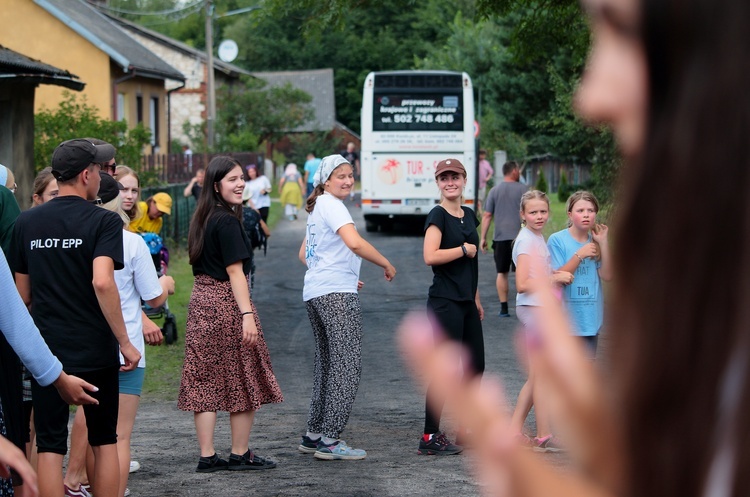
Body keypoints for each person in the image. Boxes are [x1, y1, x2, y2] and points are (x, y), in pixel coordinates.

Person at [401, 0, 748, 494]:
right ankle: (436, 429)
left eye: (619, 32)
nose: (590, 99)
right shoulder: (452, 217)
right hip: (451, 300)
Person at [9, 138, 140, 497]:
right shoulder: (104, 221)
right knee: (103, 439)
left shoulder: (26, 223)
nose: (101, 176)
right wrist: (125, 342)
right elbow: (102, 281)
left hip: (46, 352)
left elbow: (21, 298)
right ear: (87, 175)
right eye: (99, 170)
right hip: (94, 348)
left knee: (50, 443)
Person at [179, 156, 282, 473]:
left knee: (204, 379)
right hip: (227, 303)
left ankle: (207, 455)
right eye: (232, 180)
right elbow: (236, 272)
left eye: (241, 178)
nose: (240, 184)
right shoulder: (227, 221)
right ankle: (240, 453)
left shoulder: (203, 217)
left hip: (201, 301)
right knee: (244, 375)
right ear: (216, 186)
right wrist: (247, 314)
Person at [297, 154, 396, 461]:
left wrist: (342, 273)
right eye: (340, 175)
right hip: (335, 295)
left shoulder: (318, 208)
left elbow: (305, 254)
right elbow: (354, 243)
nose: (348, 180)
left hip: (317, 291)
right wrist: (385, 262)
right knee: (347, 365)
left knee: (327, 363)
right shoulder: (332, 205)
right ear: (325, 181)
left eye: (351, 175)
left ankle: (314, 435)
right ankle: (329, 441)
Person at [96, 172, 175, 497]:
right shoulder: (130, 241)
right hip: (124, 347)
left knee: (93, 436)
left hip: (82, 347)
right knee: (119, 436)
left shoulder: (76, 236)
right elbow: (154, 297)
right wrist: (167, 286)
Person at [418, 158, 484, 456]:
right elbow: (429, 256)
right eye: (444, 178)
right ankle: (430, 436)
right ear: (438, 183)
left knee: (475, 366)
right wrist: (461, 249)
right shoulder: (437, 215)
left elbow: (474, 262)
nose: (450, 182)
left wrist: (476, 298)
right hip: (445, 302)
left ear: (464, 179)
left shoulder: (470, 215)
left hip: (467, 301)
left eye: (455, 176)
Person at [508, 190, 573, 451]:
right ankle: (544, 434)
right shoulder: (526, 241)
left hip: (539, 307)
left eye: (543, 212)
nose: (539, 216)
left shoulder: (535, 237)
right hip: (532, 309)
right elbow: (522, 284)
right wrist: (553, 279)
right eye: (533, 212)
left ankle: (513, 431)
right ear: (522, 215)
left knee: (537, 376)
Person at [547, 191, 612, 357]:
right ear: (570, 214)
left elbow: (608, 275)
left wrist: (603, 243)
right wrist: (580, 255)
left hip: (590, 320)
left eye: (591, 211)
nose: (586, 215)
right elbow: (558, 276)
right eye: (580, 210)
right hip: (566, 320)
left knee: (586, 374)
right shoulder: (557, 240)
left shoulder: (595, 241)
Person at [479, 161, 528, 317]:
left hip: (500, 238)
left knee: (502, 273)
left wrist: (483, 238)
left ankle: (504, 308)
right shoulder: (524, 190)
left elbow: (487, 216)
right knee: (523, 272)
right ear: (514, 171)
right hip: (521, 238)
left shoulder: (494, 190)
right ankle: (525, 305)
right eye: (518, 170)